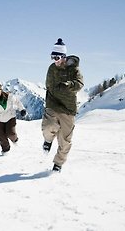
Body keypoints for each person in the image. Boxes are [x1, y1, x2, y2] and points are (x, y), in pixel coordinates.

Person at [42, 38, 84, 172]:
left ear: (64, 57)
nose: (55, 60)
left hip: (68, 108)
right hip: (53, 103)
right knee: (48, 127)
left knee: (65, 140)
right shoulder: (51, 68)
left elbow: (80, 84)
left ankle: (58, 164)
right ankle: (48, 141)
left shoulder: (74, 69)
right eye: (52, 57)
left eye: (58, 57)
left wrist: (69, 85)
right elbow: (48, 85)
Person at [0, 83, 26, 155]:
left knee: (10, 133)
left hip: (10, 117)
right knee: (1, 135)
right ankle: (5, 150)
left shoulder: (9, 96)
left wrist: (22, 109)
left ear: (1, 89)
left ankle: (14, 139)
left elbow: (17, 102)